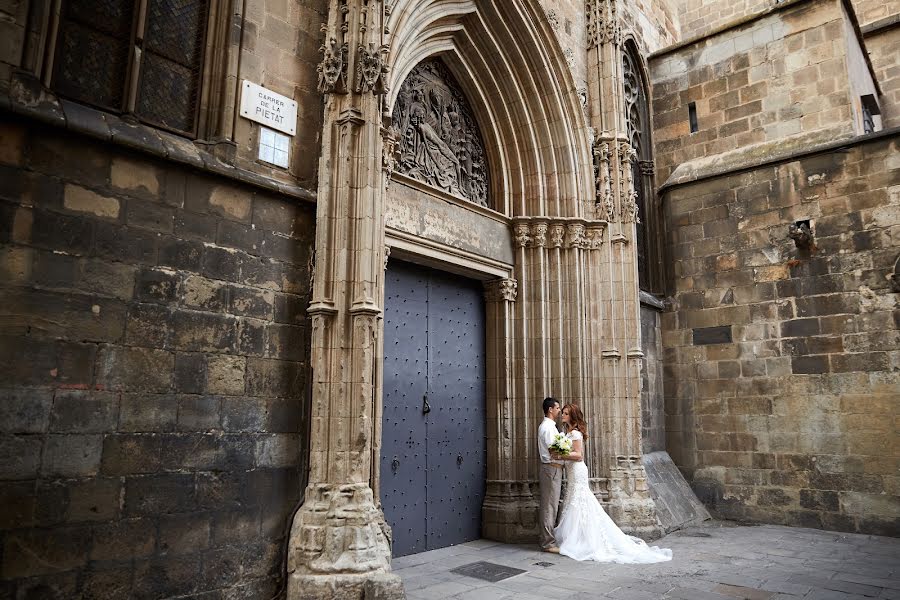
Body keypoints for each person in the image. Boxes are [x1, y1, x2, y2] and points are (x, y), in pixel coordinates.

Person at [552, 404, 672, 564]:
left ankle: (582, 540)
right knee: (574, 500)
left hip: (578, 470)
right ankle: (579, 536)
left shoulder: (575, 433)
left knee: (580, 500)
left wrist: (561, 455)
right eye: (563, 413)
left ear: (573, 416)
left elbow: (579, 456)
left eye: (566, 414)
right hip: (573, 472)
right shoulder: (567, 432)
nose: (563, 416)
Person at [537, 397, 564, 553]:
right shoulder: (547, 427)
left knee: (552, 505)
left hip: (554, 469)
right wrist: (570, 453)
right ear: (550, 410)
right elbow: (553, 451)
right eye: (558, 408)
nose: (559, 411)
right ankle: (547, 543)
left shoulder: (551, 426)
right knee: (549, 506)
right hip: (550, 469)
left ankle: (549, 539)